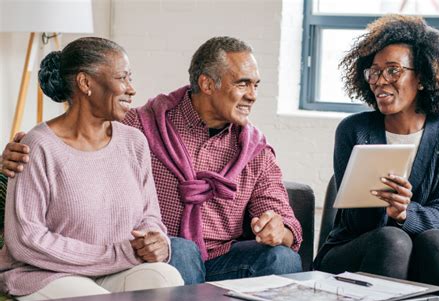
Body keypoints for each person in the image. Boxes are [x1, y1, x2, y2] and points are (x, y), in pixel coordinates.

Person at [1, 36, 303, 284]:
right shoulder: (140, 127)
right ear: (208, 84)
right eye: (242, 84)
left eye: (256, 85)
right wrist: (18, 152)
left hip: (224, 259)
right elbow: (79, 136)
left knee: (283, 257)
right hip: (164, 255)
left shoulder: (256, 152)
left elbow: (278, 211)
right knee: (182, 250)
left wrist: (279, 228)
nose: (252, 95)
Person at [314, 15, 439, 301]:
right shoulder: (354, 130)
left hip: (428, 258)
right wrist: (385, 210)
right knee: (392, 240)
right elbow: (355, 221)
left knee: (437, 240)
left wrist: (404, 213)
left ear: (424, 77)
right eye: (373, 71)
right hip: (358, 253)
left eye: (393, 70)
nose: (379, 80)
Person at [0, 37, 183, 301]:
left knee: (168, 280)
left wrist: (157, 242)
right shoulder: (37, 146)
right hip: (46, 273)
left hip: (115, 270)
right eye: (122, 78)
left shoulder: (134, 143)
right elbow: (26, 241)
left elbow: (149, 217)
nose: (131, 89)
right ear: (86, 83)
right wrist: (115, 254)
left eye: (130, 77)